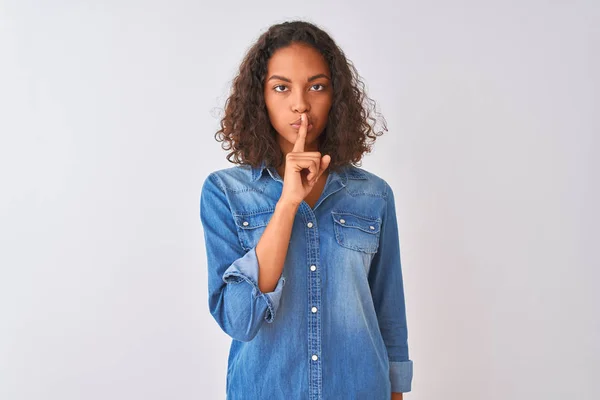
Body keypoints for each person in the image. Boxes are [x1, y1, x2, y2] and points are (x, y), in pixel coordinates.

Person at [199, 20, 413, 400]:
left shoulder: (373, 196)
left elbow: (388, 311)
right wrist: (288, 203)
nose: (300, 103)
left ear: (336, 97)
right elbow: (238, 319)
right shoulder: (225, 193)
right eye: (281, 87)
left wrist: (397, 392)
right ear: (259, 98)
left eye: (317, 86)